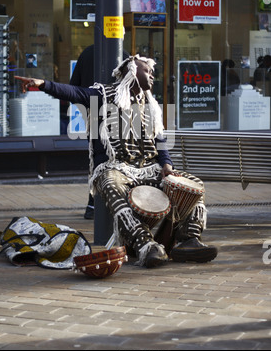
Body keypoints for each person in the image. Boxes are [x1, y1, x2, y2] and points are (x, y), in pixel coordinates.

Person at [15, 55, 218, 268]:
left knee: (194, 185)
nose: (152, 75)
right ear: (132, 71)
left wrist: (167, 164)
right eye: (147, 71)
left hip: (150, 167)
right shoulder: (103, 94)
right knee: (110, 184)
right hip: (115, 166)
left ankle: (188, 240)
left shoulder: (150, 103)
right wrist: (43, 84)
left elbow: (159, 138)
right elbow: (75, 92)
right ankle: (146, 246)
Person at [70, 44, 130, 219]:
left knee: (96, 159)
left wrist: (86, 109)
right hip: (118, 114)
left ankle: (93, 204)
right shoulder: (123, 54)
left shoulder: (87, 53)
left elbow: (74, 87)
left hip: (94, 113)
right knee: (117, 159)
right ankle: (113, 202)